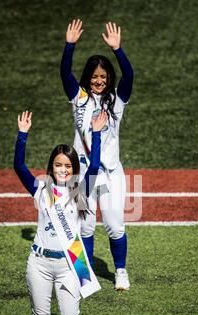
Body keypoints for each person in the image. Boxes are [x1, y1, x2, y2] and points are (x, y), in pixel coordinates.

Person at [14, 110, 107, 315]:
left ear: (73, 169)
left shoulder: (80, 190)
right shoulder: (40, 190)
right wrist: (22, 135)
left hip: (72, 262)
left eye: (67, 166)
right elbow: (18, 167)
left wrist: (96, 133)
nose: (63, 170)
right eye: (57, 166)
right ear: (51, 167)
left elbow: (95, 166)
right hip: (39, 263)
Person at [60, 19, 134, 291]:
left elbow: (130, 77)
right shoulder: (78, 97)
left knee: (115, 225)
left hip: (111, 173)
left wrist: (118, 50)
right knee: (85, 227)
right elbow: (64, 73)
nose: (99, 81)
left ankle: (121, 271)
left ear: (109, 79)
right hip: (82, 174)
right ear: (87, 77)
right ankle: (83, 277)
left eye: (103, 77)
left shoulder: (117, 99)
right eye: (94, 76)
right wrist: (69, 45)